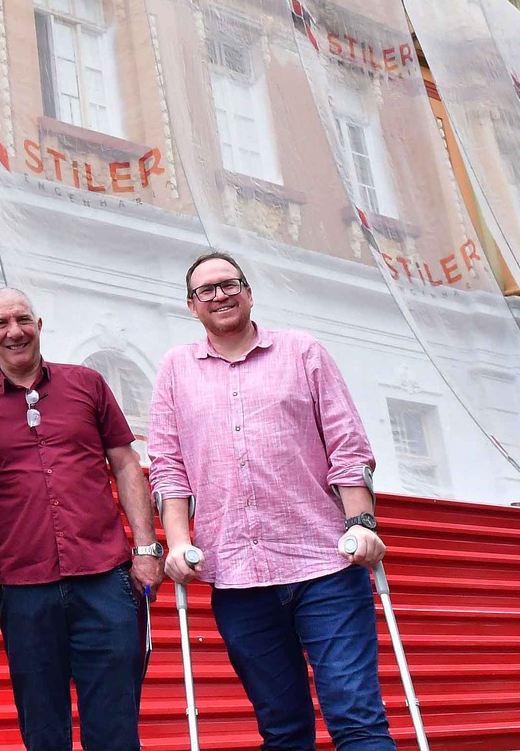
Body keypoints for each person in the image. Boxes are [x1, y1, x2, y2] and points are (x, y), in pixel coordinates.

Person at [149, 251, 396, 751]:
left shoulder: (303, 351)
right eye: (206, 290)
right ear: (192, 306)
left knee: (356, 717)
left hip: (324, 565)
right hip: (238, 579)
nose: (220, 295)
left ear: (248, 291)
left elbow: (347, 446)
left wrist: (363, 523)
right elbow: (169, 466)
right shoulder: (176, 369)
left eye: (229, 284)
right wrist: (177, 542)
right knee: (282, 729)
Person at [0, 287, 161, 751]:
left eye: (23, 319)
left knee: (115, 729)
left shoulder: (86, 384)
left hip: (105, 582)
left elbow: (127, 464)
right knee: (43, 730)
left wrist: (146, 550)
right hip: (26, 592)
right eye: (2, 324)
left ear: (39, 325)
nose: (15, 331)